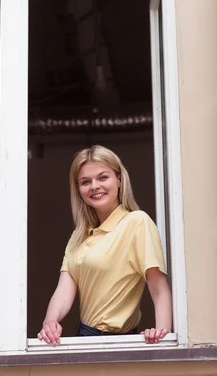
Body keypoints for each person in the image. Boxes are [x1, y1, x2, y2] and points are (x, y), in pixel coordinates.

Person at [37, 145, 172, 345]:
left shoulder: (136, 222)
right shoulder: (78, 236)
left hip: (120, 341)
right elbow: (65, 288)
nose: (94, 186)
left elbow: (159, 289)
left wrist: (164, 336)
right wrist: (50, 321)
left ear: (119, 179)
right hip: (85, 337)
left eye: (103, 177)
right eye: (85, 182)